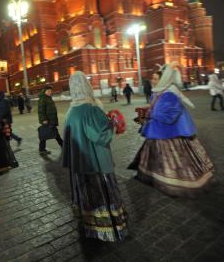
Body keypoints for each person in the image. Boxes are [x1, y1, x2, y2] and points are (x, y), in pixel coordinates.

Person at [129, 64, 214, 197]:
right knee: (152, 155)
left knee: (173, 160)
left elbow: (169, 116)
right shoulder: (157, 93)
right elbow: (155, 107)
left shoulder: (170, 94)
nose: (152, 81)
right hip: (157, 132)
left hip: (170, 134)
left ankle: (174, 183)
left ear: (163, 80)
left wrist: (149, 113)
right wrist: (146, 109)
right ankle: (152, 176)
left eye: (156, 79)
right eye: (152, 78)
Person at [62, 71, 128, 242]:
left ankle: (90, 225)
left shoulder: (71, 112)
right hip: (95, 163)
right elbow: (101, 135)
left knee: (87, 196)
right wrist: (112, 122)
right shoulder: (89, 109)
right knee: (102, 193)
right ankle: (107, 227)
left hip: (80, 164)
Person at [38, 85, 63, 155]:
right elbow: (41, 110)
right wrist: (43, 119)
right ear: (44, 91)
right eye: (48, 91)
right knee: (51, 133)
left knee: (49, 134)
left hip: (51, 119)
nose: (50, 92)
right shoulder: (43, 99)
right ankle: (63, 145)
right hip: (47, 120)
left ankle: (42, 149)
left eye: (51, 91)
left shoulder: (48, 98)